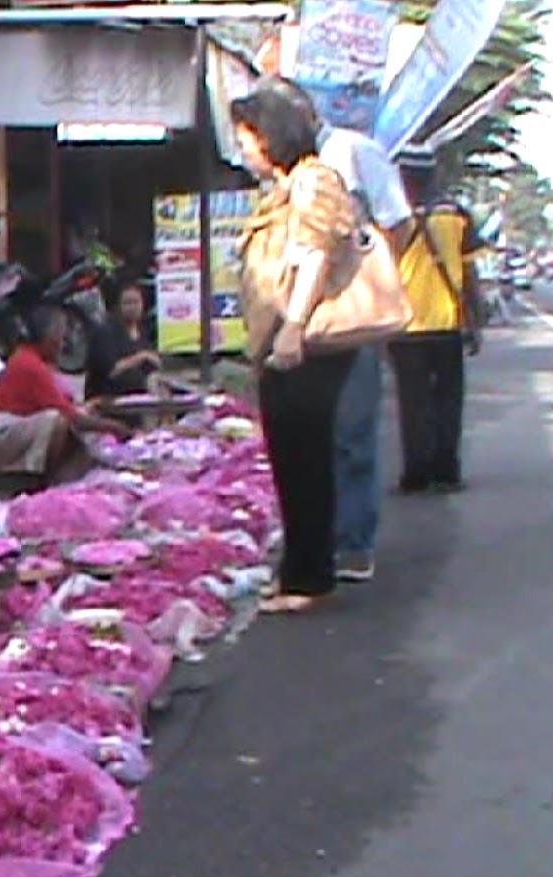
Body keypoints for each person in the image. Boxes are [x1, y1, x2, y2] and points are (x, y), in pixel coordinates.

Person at [274, 76, 414, 584]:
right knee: (313, 432)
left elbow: (398, 221)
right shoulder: (288, 172)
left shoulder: (353, 153)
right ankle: (321, 541)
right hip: (295, 314)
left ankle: (353, 542)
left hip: (346, 317)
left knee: (352, 431)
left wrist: (369, 279)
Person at [232, 83, 360, 614]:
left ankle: (310, 578)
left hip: (304, 341)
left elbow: (314, 254)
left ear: (271, 136)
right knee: (291, 457)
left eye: (247, 138)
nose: (242, 150)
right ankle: (297, 572)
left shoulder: (313, 181)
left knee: (304, 457)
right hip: (285, 340)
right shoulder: (289, 185)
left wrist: (292, 326)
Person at [390, 147, 487, 495]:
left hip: (404, 327)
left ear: (401, 177)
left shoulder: (391, 217)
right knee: (448, 400)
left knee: (412, 402)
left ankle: (416, 474)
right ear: (434, 175)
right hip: (447, 325)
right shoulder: (456, 215)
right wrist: (474, 320)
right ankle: (447, 471)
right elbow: (469, 271)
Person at [0, 304, 130, 484]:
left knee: (75, 428)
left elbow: (67, 403)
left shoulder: (35, 362)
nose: (63, 344)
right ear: (48, 337)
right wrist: (112, 426)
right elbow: (70, 416)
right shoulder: (29, 365)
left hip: (10, 432)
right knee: (57, 421)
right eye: (61, 337)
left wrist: (93, 409)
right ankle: (35, 478)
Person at [84, 280, 161, 401]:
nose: (133, 307)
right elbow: (111, 371)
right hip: (108, 398)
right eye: (127, 303)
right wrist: (141, 357)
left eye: (136, 302)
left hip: (138, 397)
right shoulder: (105, 332)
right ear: (118, 306)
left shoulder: (142, 331)